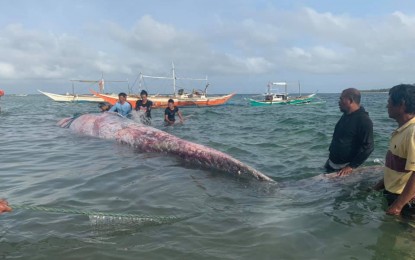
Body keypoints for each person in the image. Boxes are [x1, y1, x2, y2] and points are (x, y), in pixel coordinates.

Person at [374, 84, 415, 217]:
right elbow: (396, 168)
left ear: (402, 104)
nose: (387, 106)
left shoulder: (412, 132)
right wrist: (379, 186)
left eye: (389, 102)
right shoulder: (401, 130)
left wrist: (398, 206)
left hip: (406, 201)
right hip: (394, 194)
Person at [325, 88, 374, 176]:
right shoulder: (346, 114)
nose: (338, 102)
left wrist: (351, 166)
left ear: (350, 100)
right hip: (331, 164)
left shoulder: (363, 120)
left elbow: (369, 147)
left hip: (344, 169)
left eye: (341, 99)